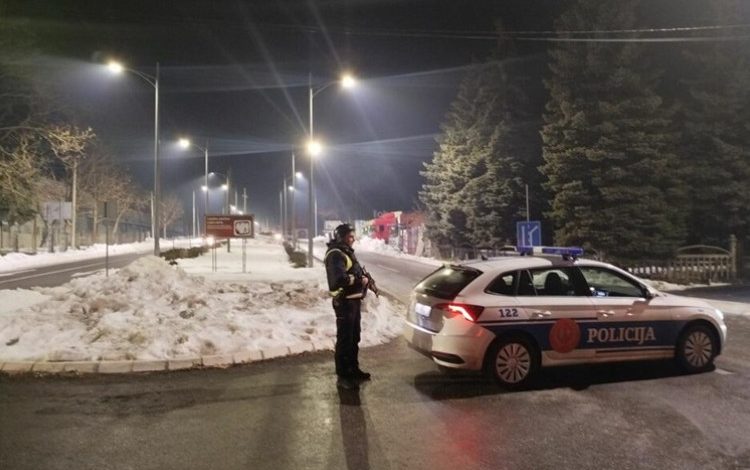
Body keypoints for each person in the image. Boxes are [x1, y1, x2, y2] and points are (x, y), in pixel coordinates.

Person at [325, 223, 371, 389]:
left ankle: (353, 369)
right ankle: (343, 376)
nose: (353, 239)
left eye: (353, 236)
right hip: (344, 302)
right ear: (341, 237)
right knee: (345, 339)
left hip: (353, 301)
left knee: (354, 337)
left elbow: (354, 271)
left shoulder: (346, 252)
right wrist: (359, 280)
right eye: (350, 236)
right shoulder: (335, 254)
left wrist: (363, 278)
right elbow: (337, 280)